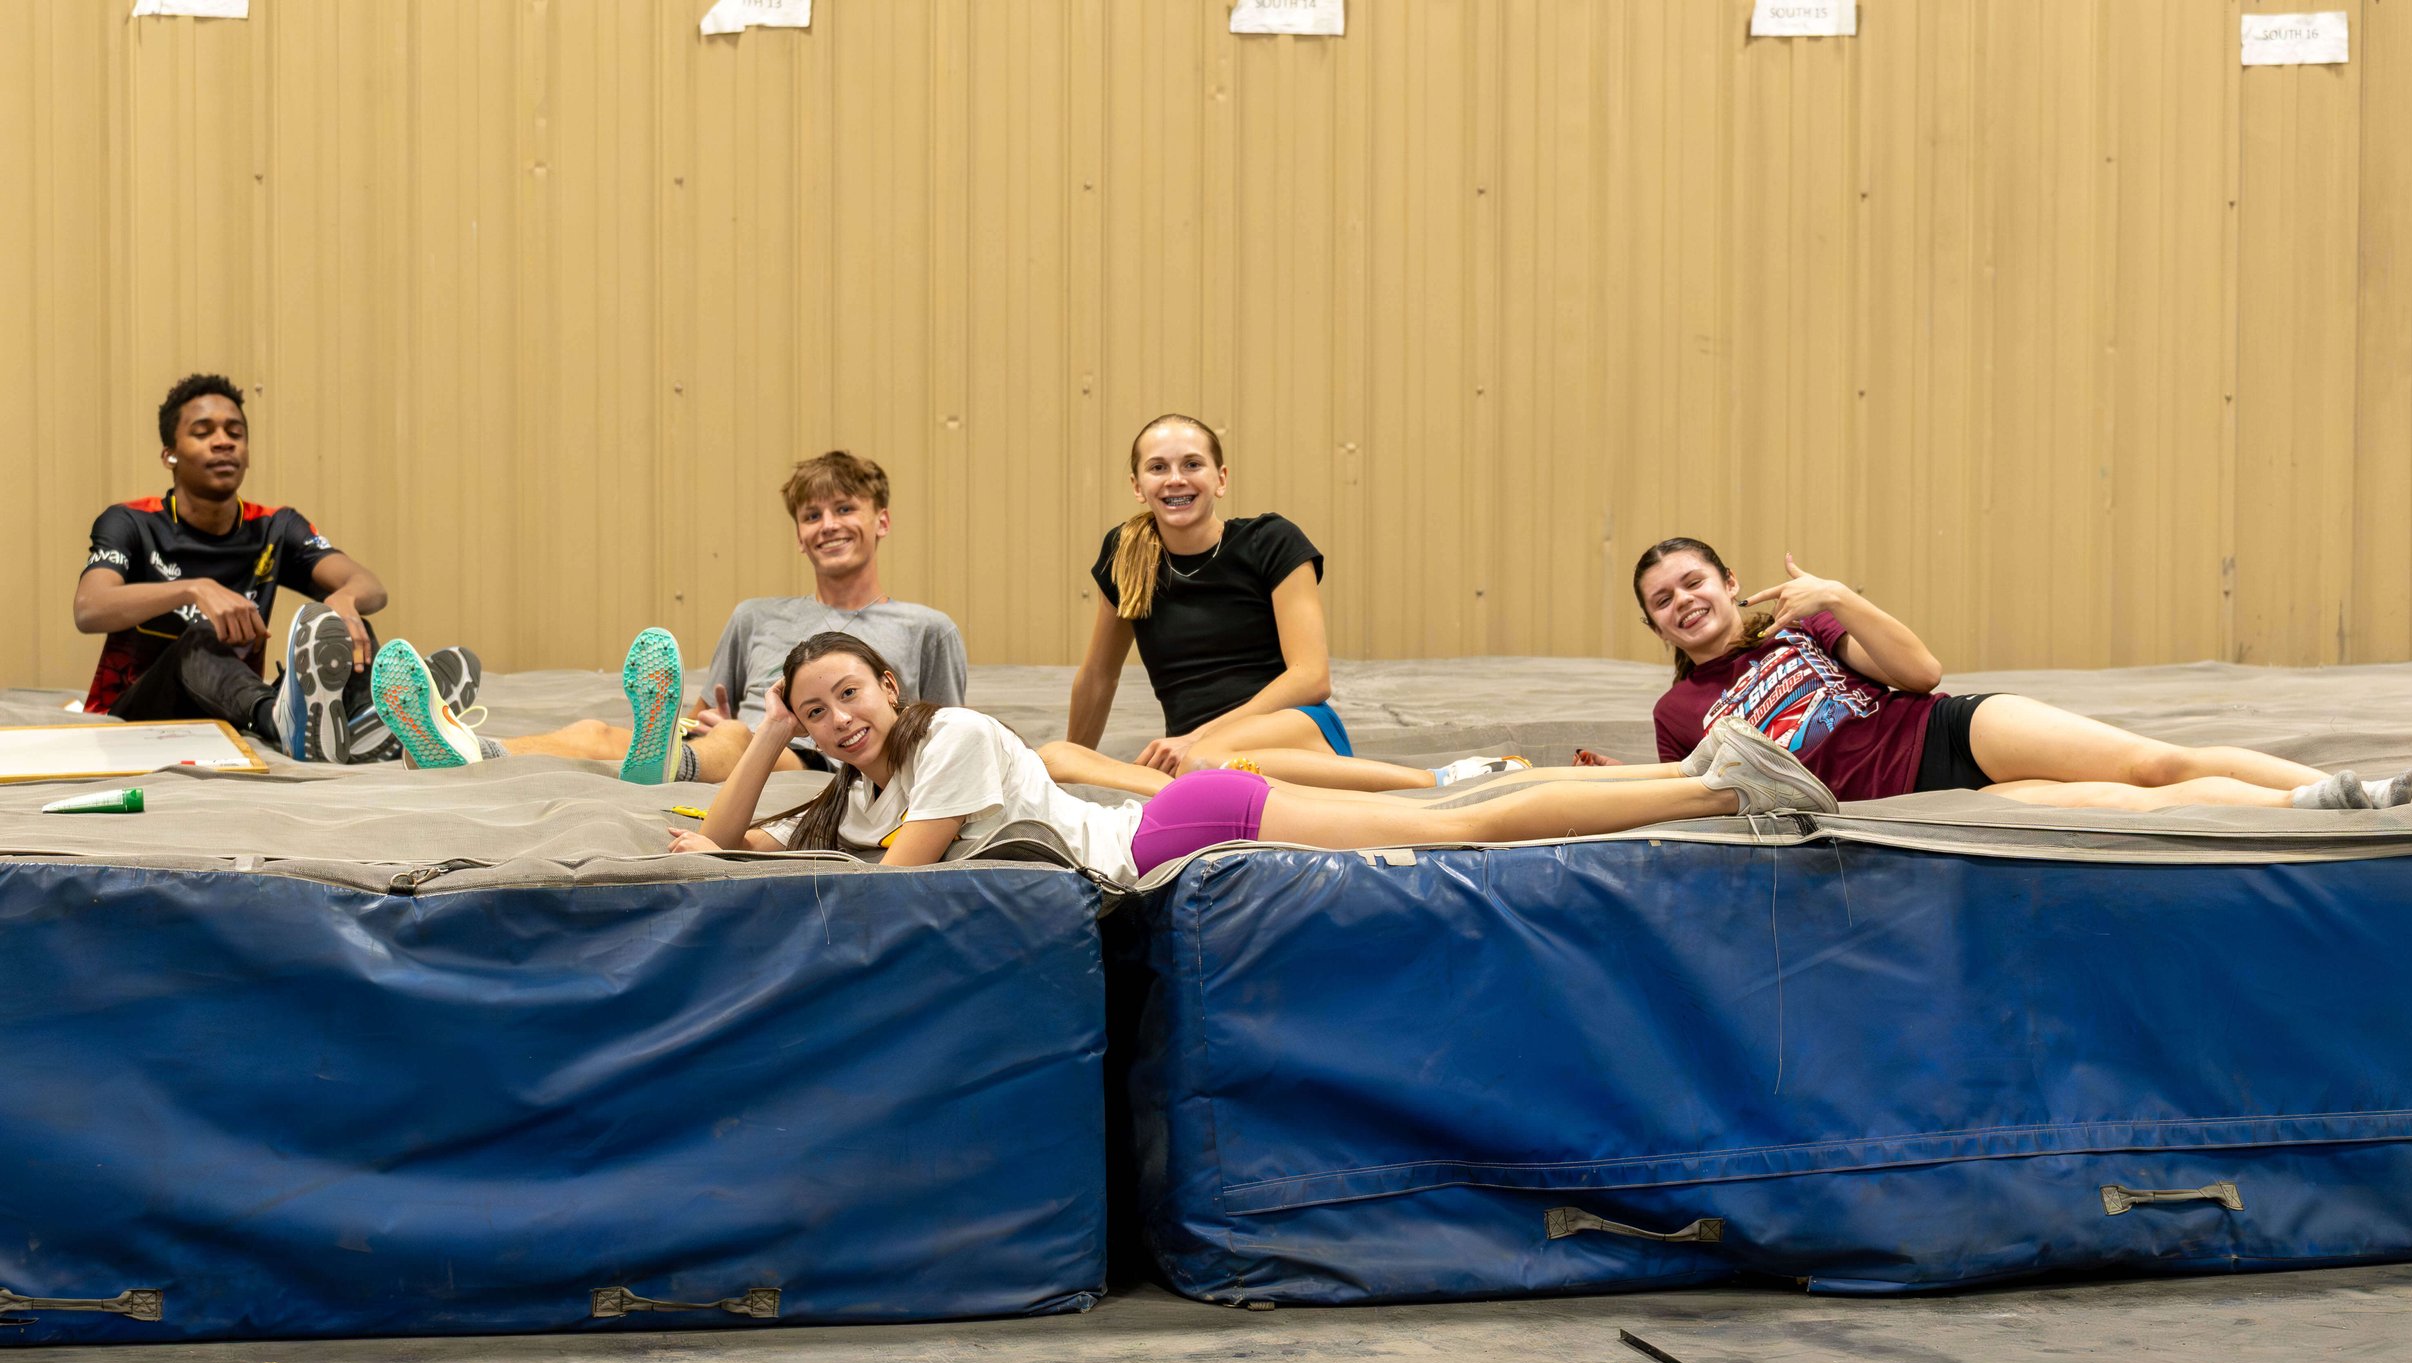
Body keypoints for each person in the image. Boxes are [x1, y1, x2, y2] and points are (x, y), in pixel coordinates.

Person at [671, 633, 1837, 882]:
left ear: (894, 688)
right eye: (813, 713)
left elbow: (903, 879)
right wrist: (770, 728)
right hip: (1168, 823)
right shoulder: (861, 782)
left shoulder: (957, 741)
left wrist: (770, 831)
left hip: (1182, 826)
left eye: (847, 697)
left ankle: (1724, 782)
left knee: (1451, 825)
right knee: (1465, 803)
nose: (836, 721)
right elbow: (727, 836)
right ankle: (1722, 776)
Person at [1631, 537, 2412, 812]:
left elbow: (1919, 670)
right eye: (1663, 601)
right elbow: (1704, 795)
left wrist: (1838, 595)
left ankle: (2352, 792)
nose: (1684, 602)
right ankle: (2297, 802)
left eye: (1693, 583)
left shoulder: (1805, 625)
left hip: (1948, 728)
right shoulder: (1680, 711)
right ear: (1656, 624)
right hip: (1903, 801)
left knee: (2149, 764)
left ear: (1729, 581)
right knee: (2111, 802)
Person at [484, 449, 967, 783]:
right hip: (725, 742)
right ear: (799, 536)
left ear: (881, 520)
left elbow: (945, 735)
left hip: (820, 757)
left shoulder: (926, 627)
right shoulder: (755, 616)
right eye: (812, 516)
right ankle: (470, 750)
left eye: (844, 508)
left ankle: (679, 766)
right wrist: (705, 721)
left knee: (738, 738)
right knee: (593, 732)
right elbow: (702, 715)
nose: (828, 526)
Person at [71, 372, 478, 763]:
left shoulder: (275, 526)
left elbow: (369, 585)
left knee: (344, 625)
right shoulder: (130, 522)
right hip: (138, 712)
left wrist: (346, 599)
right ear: (169, 454)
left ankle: (369, 721)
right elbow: (90, 608)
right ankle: (286, 724)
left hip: (230, 707)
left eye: (235, 433)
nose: (223, 443)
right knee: (199, 641)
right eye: (203, 432)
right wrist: (193, 589)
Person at [1062, 414, 1367, 780]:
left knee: (1204, 761)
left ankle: (1433, 781)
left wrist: (1198, 738)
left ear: (1220, 479)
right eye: (1158, 467)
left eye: (1192, 464)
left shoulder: (1270, 541)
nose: (1176, 479)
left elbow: (1311, 677)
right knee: (1055, 758)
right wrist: (1071, 771)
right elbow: (1098, 675)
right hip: (1195, 758)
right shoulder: (1127, 555)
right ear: (1138, 486)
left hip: (1290, 731)